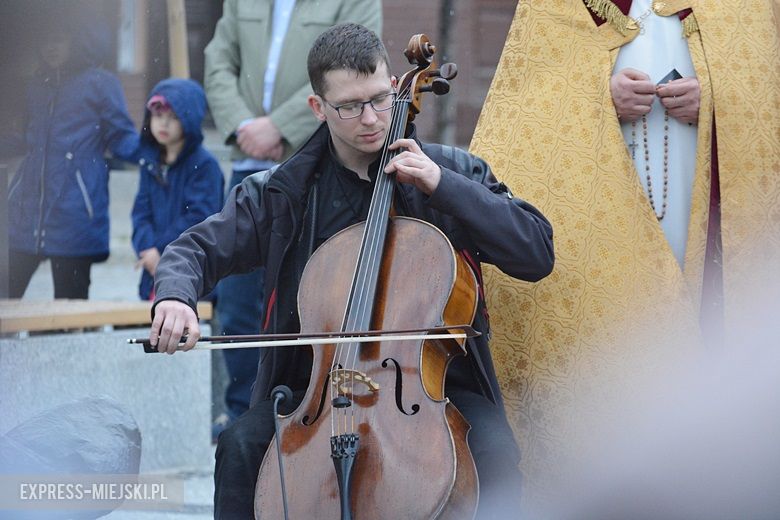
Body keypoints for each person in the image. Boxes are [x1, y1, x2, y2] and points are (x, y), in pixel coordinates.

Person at [149, 23, 554, 519]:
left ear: (394, 87)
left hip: (434, 390)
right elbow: (195, 248)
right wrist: (173, 296)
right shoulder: (284, 191)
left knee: (495, 452)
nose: (371, 119)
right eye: (349, 107)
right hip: (315, 394)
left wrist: (444, 187)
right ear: (318, 108)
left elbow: (536, 251)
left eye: (381, 99)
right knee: (238, 444)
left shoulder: (451, 171)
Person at [469, 1, 780, 514]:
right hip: (602, 197)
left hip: (701, 203)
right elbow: (526, 102)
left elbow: (759, 78)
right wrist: (598, 96)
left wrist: (721, 101)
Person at [203, 0, 382, 437]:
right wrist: (242, 125)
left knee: (306, 301)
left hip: (310, 161)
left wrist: (278, 127)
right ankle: (247, 409)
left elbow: (351, 77)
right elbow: (217, 63)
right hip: (247, 162)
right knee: (242, 310)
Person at [4, 11, 139, 299]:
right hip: (26, 213)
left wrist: (157, 151)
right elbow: (26, 136)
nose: (50, 47)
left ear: (77, 42)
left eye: (58, 40)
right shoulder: (36, 85)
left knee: (68, 314)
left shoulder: (100, 83)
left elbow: (121, 136)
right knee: (5, 297)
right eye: (44, 41)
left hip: (75, 211)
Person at [131, 79, 224, 301]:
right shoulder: (150, 161)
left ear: (189, 120)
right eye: (158, 116)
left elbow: (199, 218)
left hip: (191, 269)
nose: (164, 124)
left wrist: (163, 251)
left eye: (174, 118)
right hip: (153, 271)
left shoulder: (204, 165)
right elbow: (140, 213)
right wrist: (147, 249)